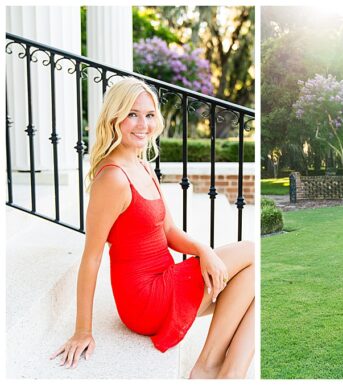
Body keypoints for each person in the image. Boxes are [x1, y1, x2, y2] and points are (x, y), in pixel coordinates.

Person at [50, 79, 255, 378]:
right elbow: (91, 257)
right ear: (114, 118)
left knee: (254, 279)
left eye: (148, 115)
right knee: (252, 252)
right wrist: (83, 330)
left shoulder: (143, 165)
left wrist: (204, 250)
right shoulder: (113, 179)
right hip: (144, 299)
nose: (142, 124)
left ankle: (229, 374)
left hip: (164, 278)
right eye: (132, 114)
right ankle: (208, 367)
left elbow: (169, 231)